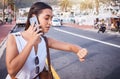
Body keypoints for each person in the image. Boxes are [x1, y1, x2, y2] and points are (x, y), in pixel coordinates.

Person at [6, 2, 88, 79]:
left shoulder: (44, 41)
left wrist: (79, 50)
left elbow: (69, 47)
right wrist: (30, 43)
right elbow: (12, 72)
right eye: (46, 18)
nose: (50, 23)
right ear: (33, 18)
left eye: (51, 18)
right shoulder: (14, 38)